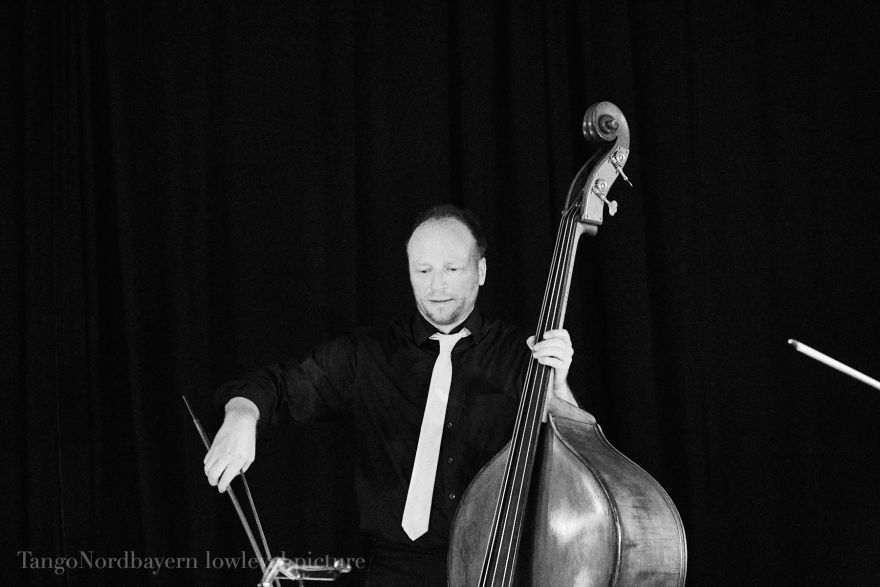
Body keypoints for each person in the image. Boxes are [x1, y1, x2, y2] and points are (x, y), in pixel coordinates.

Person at [204, 205, 577, 585]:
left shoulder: (523, 354)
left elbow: (573, 456)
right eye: (423, 271)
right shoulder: (367, 354)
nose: (437, 286)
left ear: (480, 271)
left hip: (500, 564)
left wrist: (558, 385)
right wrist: (242, 415)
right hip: (395, 569)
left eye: (452, 269)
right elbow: (282, 385)